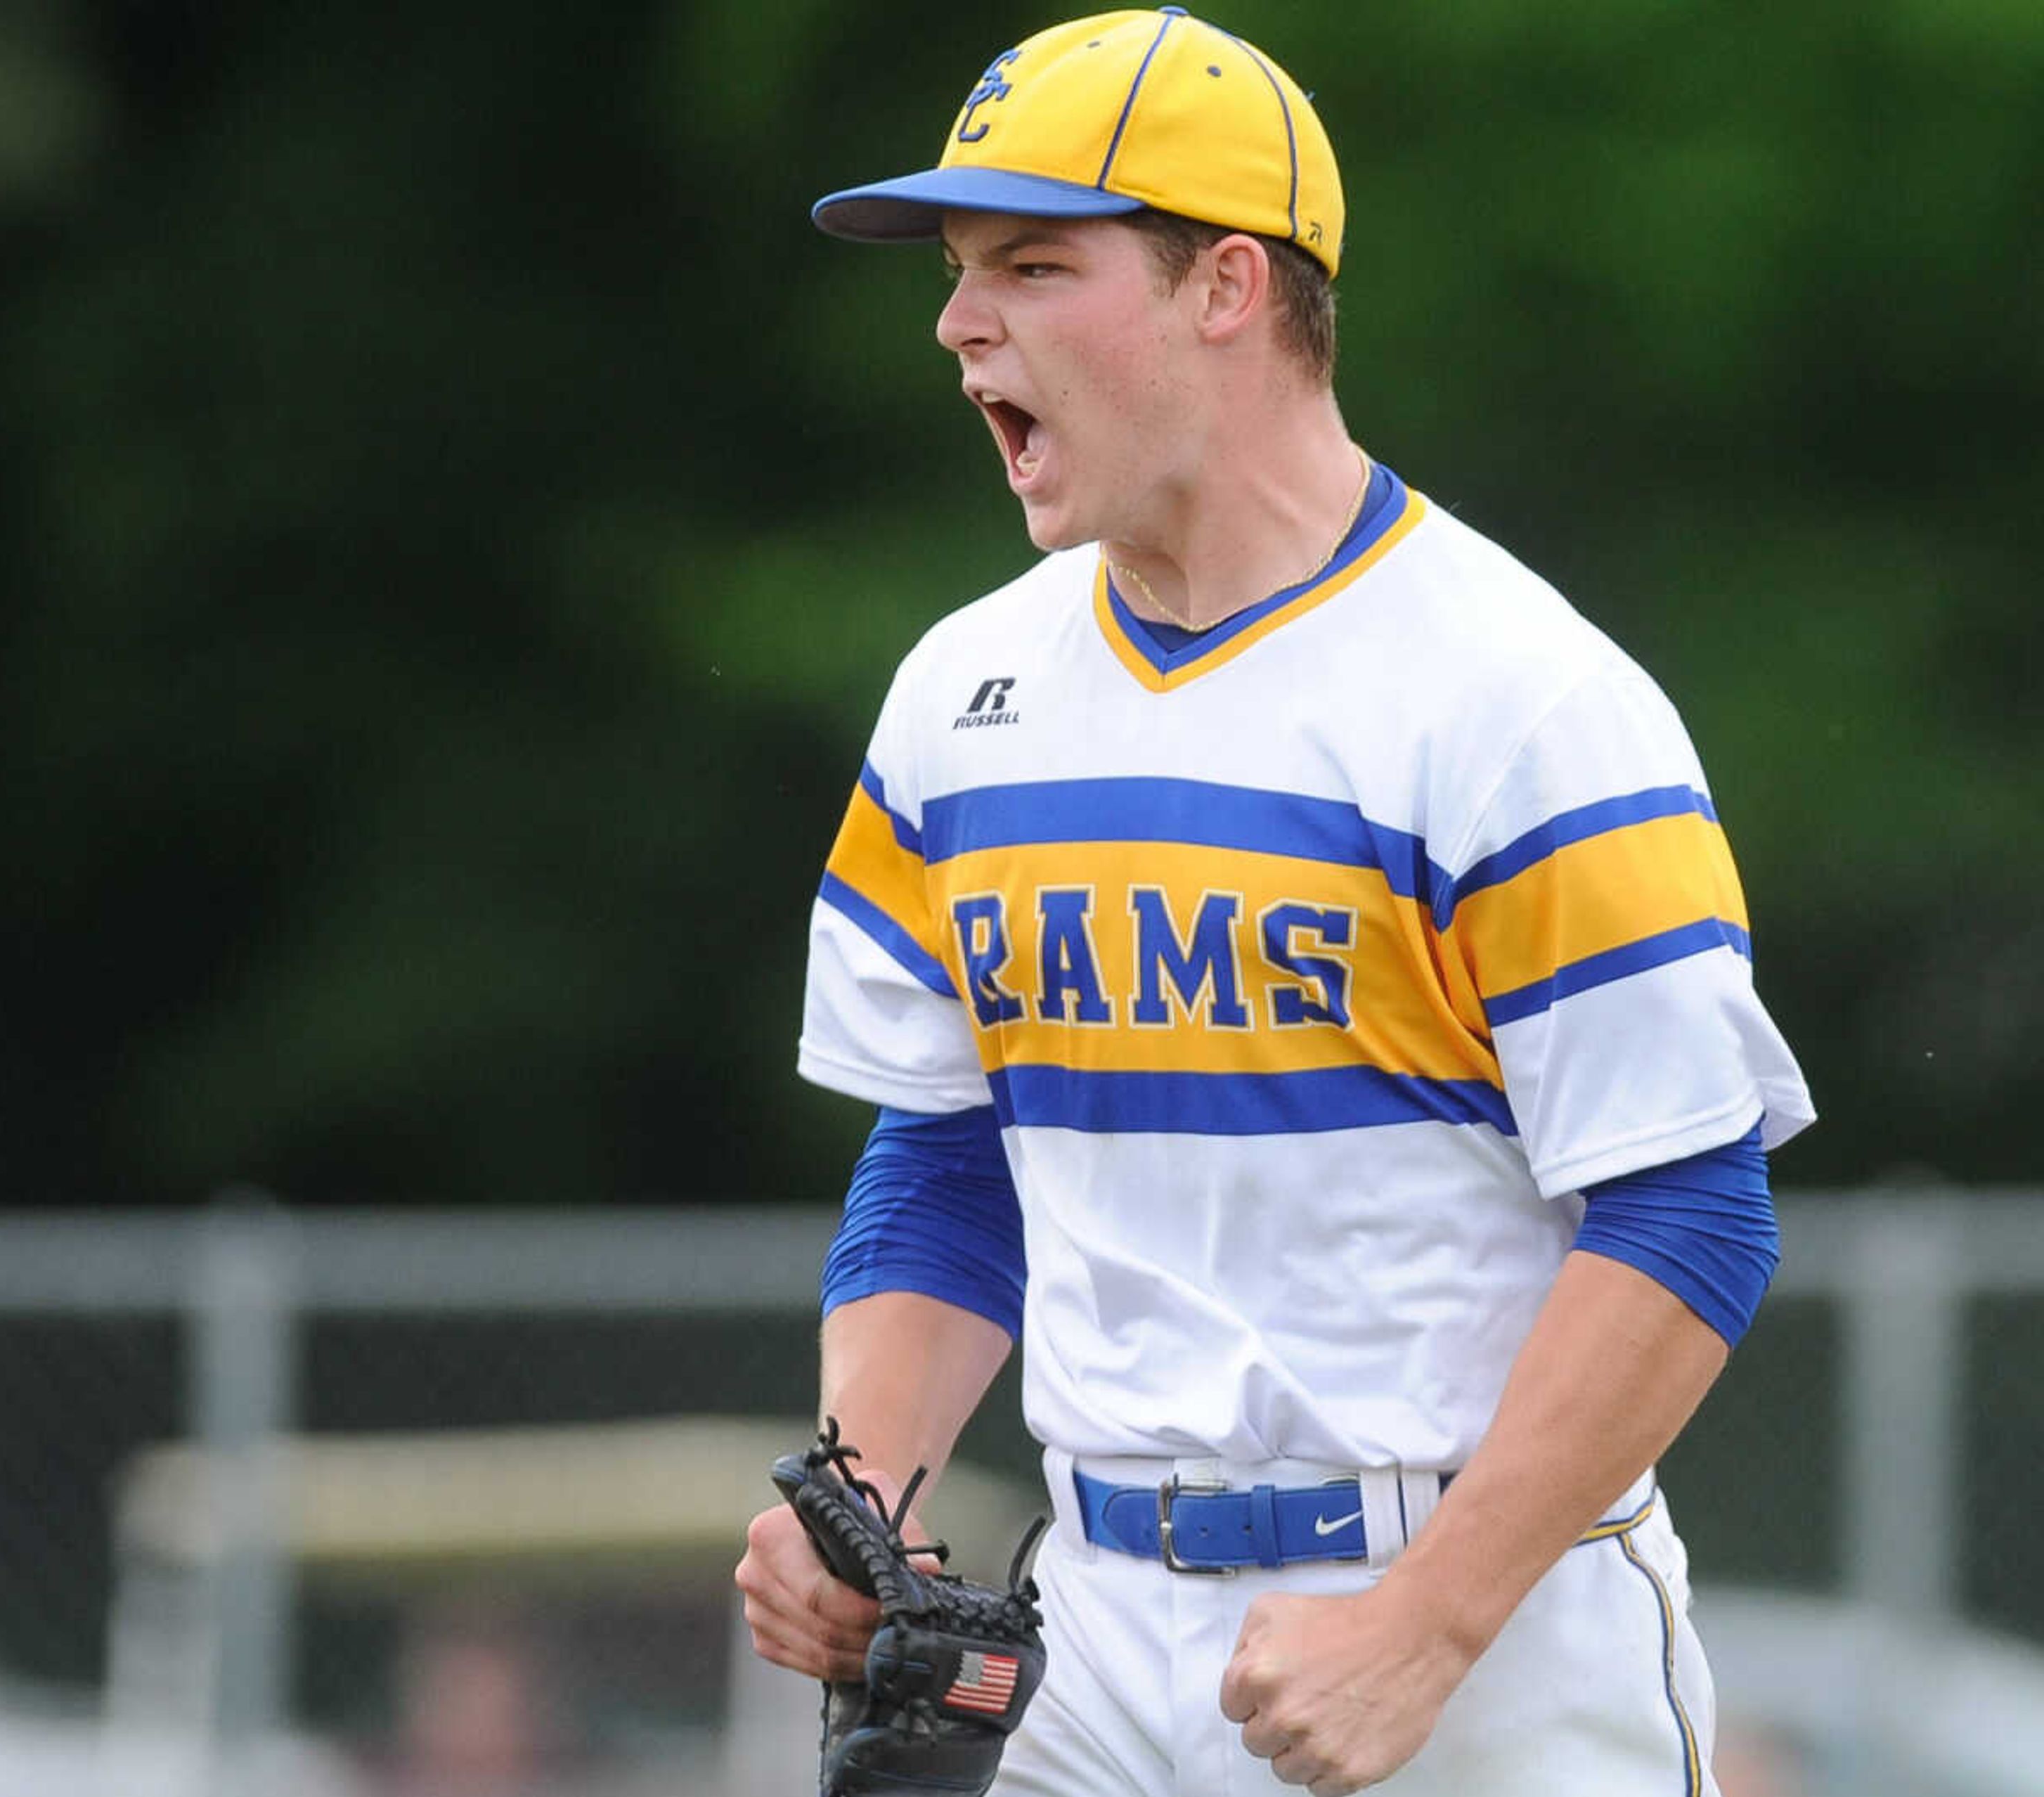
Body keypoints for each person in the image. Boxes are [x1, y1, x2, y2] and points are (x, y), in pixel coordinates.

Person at [731, 11, 1815, 1796]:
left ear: (1225, 286)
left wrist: (1429, 1623)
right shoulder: (958, 697)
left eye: (1028, 264)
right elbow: (944, 1153)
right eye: (951, 271)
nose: (955, 324)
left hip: (1472, 1621)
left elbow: (1689, 1213)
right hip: (1081, 1630)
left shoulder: (1517, 698)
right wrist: (865, 1495)